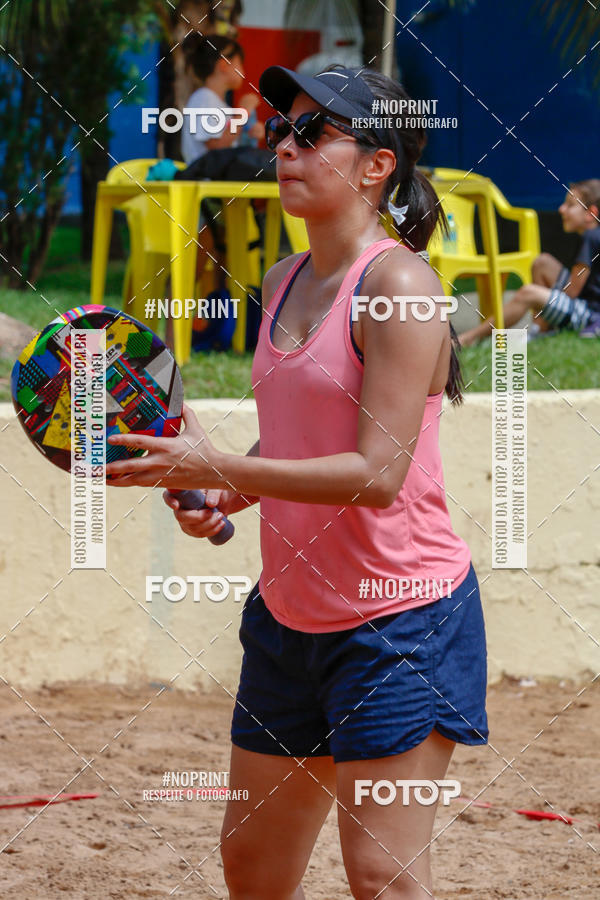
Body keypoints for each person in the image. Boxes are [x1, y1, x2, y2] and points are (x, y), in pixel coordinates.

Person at [106, 64, 489, 900]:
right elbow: (294, 441)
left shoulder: (400, 287)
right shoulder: (283, 279)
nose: (284, 145)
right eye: (283, 129)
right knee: (253, 865)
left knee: (383, 876)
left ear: (376, 164)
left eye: (313, 132)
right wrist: (221, 492)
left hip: (403, 622)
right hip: (289, 618)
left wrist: (216, 466)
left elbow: (377, 474)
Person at [459, 178, 600, 345]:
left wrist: (541, 296)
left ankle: (468, 339)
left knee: (528, 293)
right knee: (542, 262)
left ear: (591, 213)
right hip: (585, 306)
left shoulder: (592, 238)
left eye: (570, 205)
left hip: (590, 315)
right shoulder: (591, 236)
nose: (561, 209)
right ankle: (539, 330)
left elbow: (572, 292)